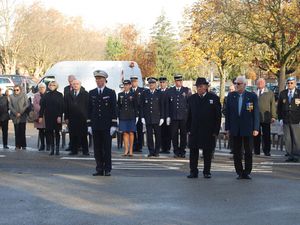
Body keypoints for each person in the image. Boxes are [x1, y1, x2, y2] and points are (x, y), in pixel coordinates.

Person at [225, 76, 259, 180]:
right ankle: (239, 171)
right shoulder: (231, 96)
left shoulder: (251, 96)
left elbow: (256, 113)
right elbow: (228, 113)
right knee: (236, 151)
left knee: (248, 151)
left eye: (239, 84)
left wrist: (256, 128)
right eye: (235, 83)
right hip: (235, 128)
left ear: (244, 85)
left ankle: (247, 172)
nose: (236, 85)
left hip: (248, 127)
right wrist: (227, 128)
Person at [187, 77, 221, 178]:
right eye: (197, 87)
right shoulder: (192, 99)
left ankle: (207, 171)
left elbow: (217, 116)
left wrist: (216, 130)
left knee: (207, 152)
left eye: (201, 86)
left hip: (208, 130)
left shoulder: (213, 98)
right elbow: (189, 115)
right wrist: (188, 128)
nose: (199, 89)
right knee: (193, 152)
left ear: (206, 87)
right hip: (195, 130)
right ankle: (193, 171)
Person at [88, 70, 117, 176]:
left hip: (106, 126)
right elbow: (89, 110)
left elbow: (114, 109)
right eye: (97, 79)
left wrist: (114, 125)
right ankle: (99, 168)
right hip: (95, 125)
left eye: (100, 79)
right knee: (97, 148)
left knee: (106, 148)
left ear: (105, 80)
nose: (98, 81)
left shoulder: (110, 92)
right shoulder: (92, 93)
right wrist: (89, 125)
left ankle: (107, 168)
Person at [167, 74, 192, 158]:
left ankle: (182, 151)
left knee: (183, 135)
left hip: (183, 117)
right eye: (178, 81)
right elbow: (168, 105)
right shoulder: (170, 91)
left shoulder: (186, 90)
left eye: (180, 81)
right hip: (174, 116)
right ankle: (176, 151)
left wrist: (189, 116)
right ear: (175, 81)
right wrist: (168, 116)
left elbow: (189, 104)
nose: (179, 82)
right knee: (174, 135)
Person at [277, 77, 300, 162]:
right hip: (286, 119)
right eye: (288, 83)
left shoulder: (299, 93)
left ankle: (296, 155)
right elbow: (279, 107)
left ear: (295, 84)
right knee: (288, 138)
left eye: (291, 83)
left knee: (296, 138)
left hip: (296, 119)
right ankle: (290, 155)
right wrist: (280, 118)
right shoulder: (283, 93)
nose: (289, 84)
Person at [64, 79, 89, 156]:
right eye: (74, 84)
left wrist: (88, 118)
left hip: (82, 118)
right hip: (72, 118)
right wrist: (66, 117)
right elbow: (66, 107)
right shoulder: (68, 94)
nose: (75, 85)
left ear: (80, 85)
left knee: (83, 135)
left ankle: (85, 151)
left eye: (77, 84)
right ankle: (74, 150)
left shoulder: (85, 94)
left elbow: (88, 106)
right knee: (73, 135)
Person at [141, 77, 164, 157]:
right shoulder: (145, 93)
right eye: (150, 84)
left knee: (158, 135)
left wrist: (162, 117)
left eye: (153, 83)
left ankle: (157, 151)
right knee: (149, 136)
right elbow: (142, 106)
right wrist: (142, 117)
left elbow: (162, 106)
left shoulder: (159, 93)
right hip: (148, 118)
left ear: (155, 84)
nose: (151, 85)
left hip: (157, 118)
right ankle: (151, 151)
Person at [39, 81, 64, 156]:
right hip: (48, 116)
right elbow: (42, 107)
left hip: (57, 117)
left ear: (56, 86)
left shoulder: (59, 95)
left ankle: (57, 149)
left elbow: (62, 106)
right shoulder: (46, 95)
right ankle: (52, 149)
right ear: (48, 86)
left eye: (53, 85)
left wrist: (60, 116)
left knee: (57, 132)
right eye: (50, 85)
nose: (52, 86)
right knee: (49, 132)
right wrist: (40, 116)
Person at [253, 78, 276, 156]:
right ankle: (256, 150)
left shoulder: (270, 93)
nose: (260, 84)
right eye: (258, 83)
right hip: (255, 118)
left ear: (264, 83)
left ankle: (267, 151)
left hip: (266, 117)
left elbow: (272, 105)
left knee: (266, 135)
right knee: (256, 135)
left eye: (261, 82)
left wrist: (273, 116)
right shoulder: (253, 93)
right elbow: (249, 104)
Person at [117, 80, 138, 157]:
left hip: (131, 116)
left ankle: (131, 150)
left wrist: (137, 116)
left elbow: (136, 106)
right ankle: (126, 150)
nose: (125, 86)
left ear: (130, 86)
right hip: (123, 116)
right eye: (124, 85)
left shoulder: (133, 94)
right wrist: (118, 116)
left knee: (131, 132)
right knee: (125, 133)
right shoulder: (120, 94)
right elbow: (118, 106)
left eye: (127, 85)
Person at [9, 85, 29, 150]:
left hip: (22, 116)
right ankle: (17, 145)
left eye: (17, 90)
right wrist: (15, 113)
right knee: (17, 131)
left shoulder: (24, 95)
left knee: (22, 131)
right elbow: (10, 106)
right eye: (14, 90)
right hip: (15, 116)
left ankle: (23, 145)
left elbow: (27, 104)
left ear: (20, 90)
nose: (16, 91)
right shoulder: (11, 96)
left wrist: (21, 112)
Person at [130, 75, 144, 153]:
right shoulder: (130, 91)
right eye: (132, 82)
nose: (133, 83)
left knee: (140, 131)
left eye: (135, 81)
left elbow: (142, 104)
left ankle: (140, 146)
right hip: (132, 114)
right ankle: (134, 145)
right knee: (133, 131)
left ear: (137, 82)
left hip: (139, 114)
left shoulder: (141, 90)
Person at [33, 83, 47, 151]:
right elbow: (35, 104)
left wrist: (45, 110)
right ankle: (42, 145)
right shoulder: (36, 95)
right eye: (40, 87)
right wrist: (42, 110)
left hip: (47, 115)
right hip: (39, 115)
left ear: (45, 88)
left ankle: (49, 144)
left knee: (48, 130)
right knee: (41, 130)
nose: (41, 89)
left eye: (43, 87)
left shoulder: (48, 94)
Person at [159, 76, 171, 154]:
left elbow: (170, 105)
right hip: (160, 115)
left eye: (163, 82)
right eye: (161, 82)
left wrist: (168, 116)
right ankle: (162, 147)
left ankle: (167, 148)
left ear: (166, 83)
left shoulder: (169, 92)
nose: (162, 84)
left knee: (168, 133)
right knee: (160, 133)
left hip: (168, 115)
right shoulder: (158, 92)